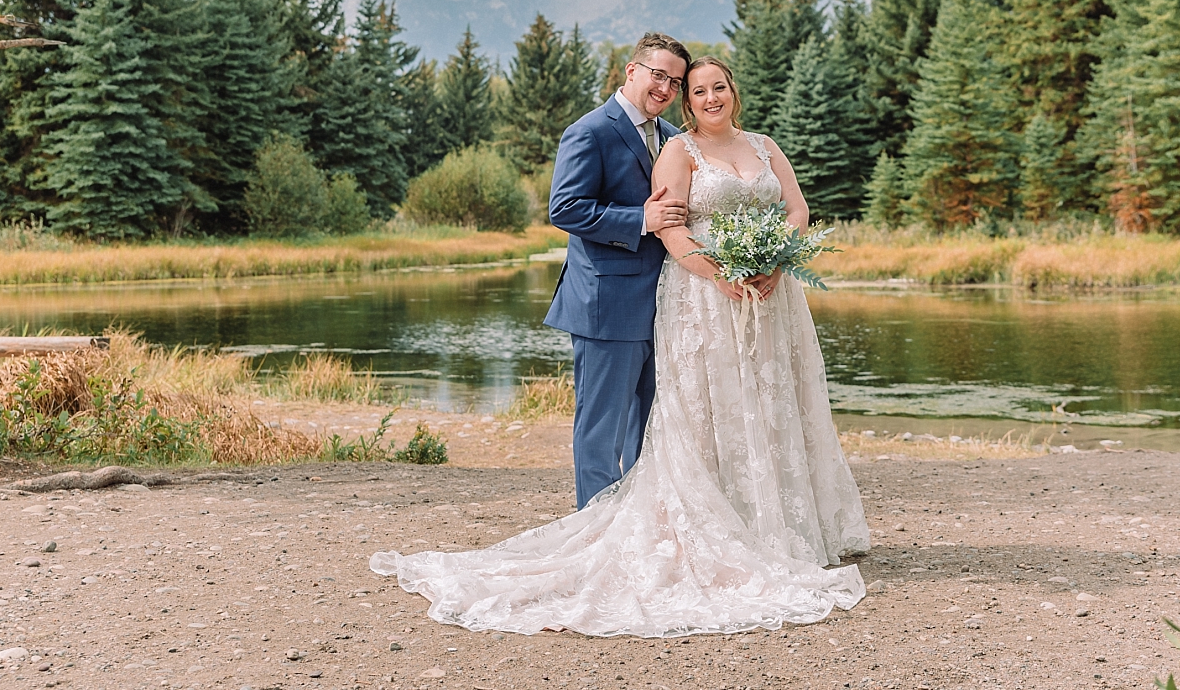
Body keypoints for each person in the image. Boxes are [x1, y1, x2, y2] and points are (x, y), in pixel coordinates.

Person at [370, 54, 869, 637]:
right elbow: (588, 211)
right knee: (608, 423)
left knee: (728, 414)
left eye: (704, 85)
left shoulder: (722, 140)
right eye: (679, 82)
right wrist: (704, 261)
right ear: (634, 72)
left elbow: (794, 208)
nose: (694, 93)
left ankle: (761, 524)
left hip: (750, 300)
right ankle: (605, 528)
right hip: (652, 296)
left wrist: (775, 262)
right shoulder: (611, 133)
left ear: (732, 91)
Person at [543, 32, 692, 509]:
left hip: (666, 303)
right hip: (606, 304)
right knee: (601, 425)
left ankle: (638, 524)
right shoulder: (590, 131)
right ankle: (593, 526)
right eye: (659, 75)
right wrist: (640, 221)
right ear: (632, 71)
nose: (667, 88)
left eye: (676, 81)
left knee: (652, 422)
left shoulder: (671, 138)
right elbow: (565, 208)